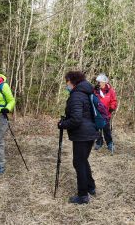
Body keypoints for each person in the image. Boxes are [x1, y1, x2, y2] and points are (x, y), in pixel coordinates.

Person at [58, 71, 100, 204]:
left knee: (78, 162)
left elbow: (76, 119)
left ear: (72, 81)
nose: (66, 85)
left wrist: (62, 124)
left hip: (82, 134)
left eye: (67, 82)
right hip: (89, 132)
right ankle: (90, 187)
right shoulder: (87, 93)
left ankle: (83, 195)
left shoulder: (76, 95)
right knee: (83, 160)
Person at [93, 73, 117, 152]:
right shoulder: (95, 90)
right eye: (98, 82)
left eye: (99, 82)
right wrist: (94, 90)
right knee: (97, 129)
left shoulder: (110, 91)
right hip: (97, 113)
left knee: (106, 129)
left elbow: (114, 101)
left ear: (104, 82)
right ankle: (99, 142)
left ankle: (109, 143)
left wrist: (112, 108)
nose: (98, 83)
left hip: (107, 113)